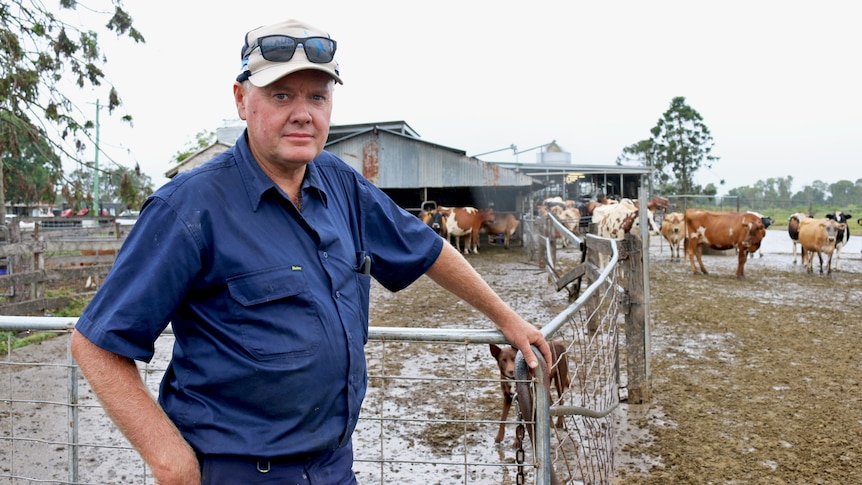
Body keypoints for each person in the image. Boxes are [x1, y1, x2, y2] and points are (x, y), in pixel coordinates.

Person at [70, 18, 553, 485]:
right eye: (281, 95)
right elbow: (95, 344)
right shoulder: (189, 208)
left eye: (317, 97)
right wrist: (171, 463)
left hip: (332, 466)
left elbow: (427, 249)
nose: (303, 112)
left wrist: (506, 316)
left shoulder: (340, 181)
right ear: (241, 100)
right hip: (237, 471)